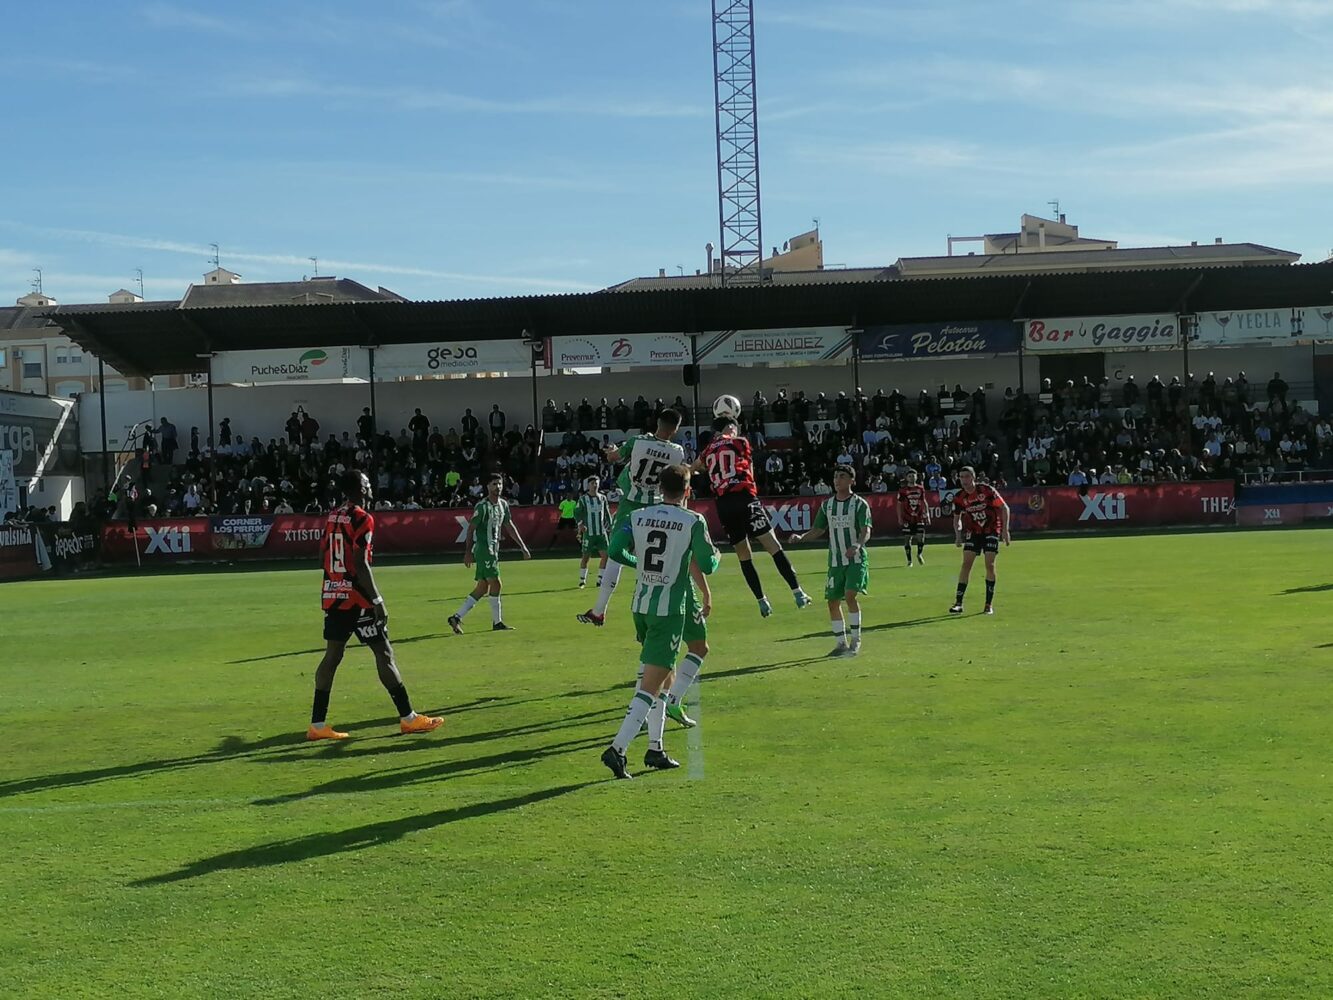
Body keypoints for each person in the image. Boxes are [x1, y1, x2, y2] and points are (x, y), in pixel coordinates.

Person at [599, 464, 720, 779]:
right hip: (668, 610)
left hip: (641, 604)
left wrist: (638, 562)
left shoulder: (636, 516)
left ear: (659, 489)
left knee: (665, 676)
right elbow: (707, 562)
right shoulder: (693, 520)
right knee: (650, 685)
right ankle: (618, 749)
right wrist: (717, 557)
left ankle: (655, 748)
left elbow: (615, 550)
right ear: (688, 490)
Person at [307, 469, 444, 741]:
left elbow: (322, 553)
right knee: (384, 653)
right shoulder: (362, 518)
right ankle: (409, 718)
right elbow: (360, 563)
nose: (371, 487)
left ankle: (317, 725)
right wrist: (377, 600)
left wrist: (334, 581)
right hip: (358, 598)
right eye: (367, 483)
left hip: (334, 594)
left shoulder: (332, 515)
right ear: (358, 489)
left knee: (332, 656)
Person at [693, 414, 811, 617]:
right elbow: (747, 464)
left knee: (743, 554)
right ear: (731, 427)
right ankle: (798, 592)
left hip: (723, 504)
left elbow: (695, 467)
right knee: (772, 545)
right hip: (744, 498)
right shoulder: (739, 441)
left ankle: (762, 601)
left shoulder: (707, 451)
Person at [577, 408, 686, 627]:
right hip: (656, 506)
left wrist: (613, 451)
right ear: (675, 430)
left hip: (631, 506)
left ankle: (599, 610)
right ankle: (655, 606)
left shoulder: (638, 441)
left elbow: (613, 457)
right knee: (656, 556)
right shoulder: (677, 452)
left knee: (616, 556)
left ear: (657, 422)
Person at [790, 465, 871, 657]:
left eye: (842, 477)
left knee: (850, 596)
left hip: (856, 560)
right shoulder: (827, 505)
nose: (837, 480)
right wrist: (801, 538)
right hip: (835, 561)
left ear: (852, 480)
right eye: (835, 477)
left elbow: (865, 530)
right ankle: (840, 643)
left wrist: (858, 545)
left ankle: (856, 640)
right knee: (832, 602)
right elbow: (818, 529)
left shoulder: (860, 504)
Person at [449, 473, 532, 633]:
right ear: (487, 486)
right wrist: (467, 552)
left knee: (482, 588)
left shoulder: (503, 504)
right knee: (497, 583)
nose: (498, 487)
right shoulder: (482, 506)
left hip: (493, 550)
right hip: (484, 550)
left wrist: (522, 546)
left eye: (500, 484)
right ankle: (497, 622)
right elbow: (470, 529)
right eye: (494, 484)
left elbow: (509, 526)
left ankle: (456, 617)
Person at [949, 466, 1011, 616]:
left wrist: (1005, 530)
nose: (964, 480)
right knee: (966, 564)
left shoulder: (986, 490)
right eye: (961, 477)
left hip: (991, 531)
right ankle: (958, 603)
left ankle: (988, 604)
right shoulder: (959, 497)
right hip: (973, 533)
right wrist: (958, 534)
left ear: (973, 477)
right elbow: (957, 518)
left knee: (989, 565)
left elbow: (1005, 508)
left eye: (967, 476)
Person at [576, 475, 611, 589]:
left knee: (605, 556)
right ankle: (582, 580)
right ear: (588, 485)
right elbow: (577, 512)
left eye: (596, 483)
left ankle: (600, 580)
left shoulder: (603, 498)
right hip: (589, 533)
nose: (595, 485)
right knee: (586, 557)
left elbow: (606, 513)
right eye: (592, 483)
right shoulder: (583, 499)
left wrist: (610, 526)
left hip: (601, 533)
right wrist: (580, 524)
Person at [896, 468, 930, 566]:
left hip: (919, 517)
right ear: (906, 478)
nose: (911, 477)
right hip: (907, 517)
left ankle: (919, 554)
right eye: (909, 476)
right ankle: (909, 561)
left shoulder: (920, 488)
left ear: (916, 476)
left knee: (921, 537)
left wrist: (927, 514)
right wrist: (899, 517)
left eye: (913, 475)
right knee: (907, 538)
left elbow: (924, 501)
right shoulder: (903, 491)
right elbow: (899, 504)